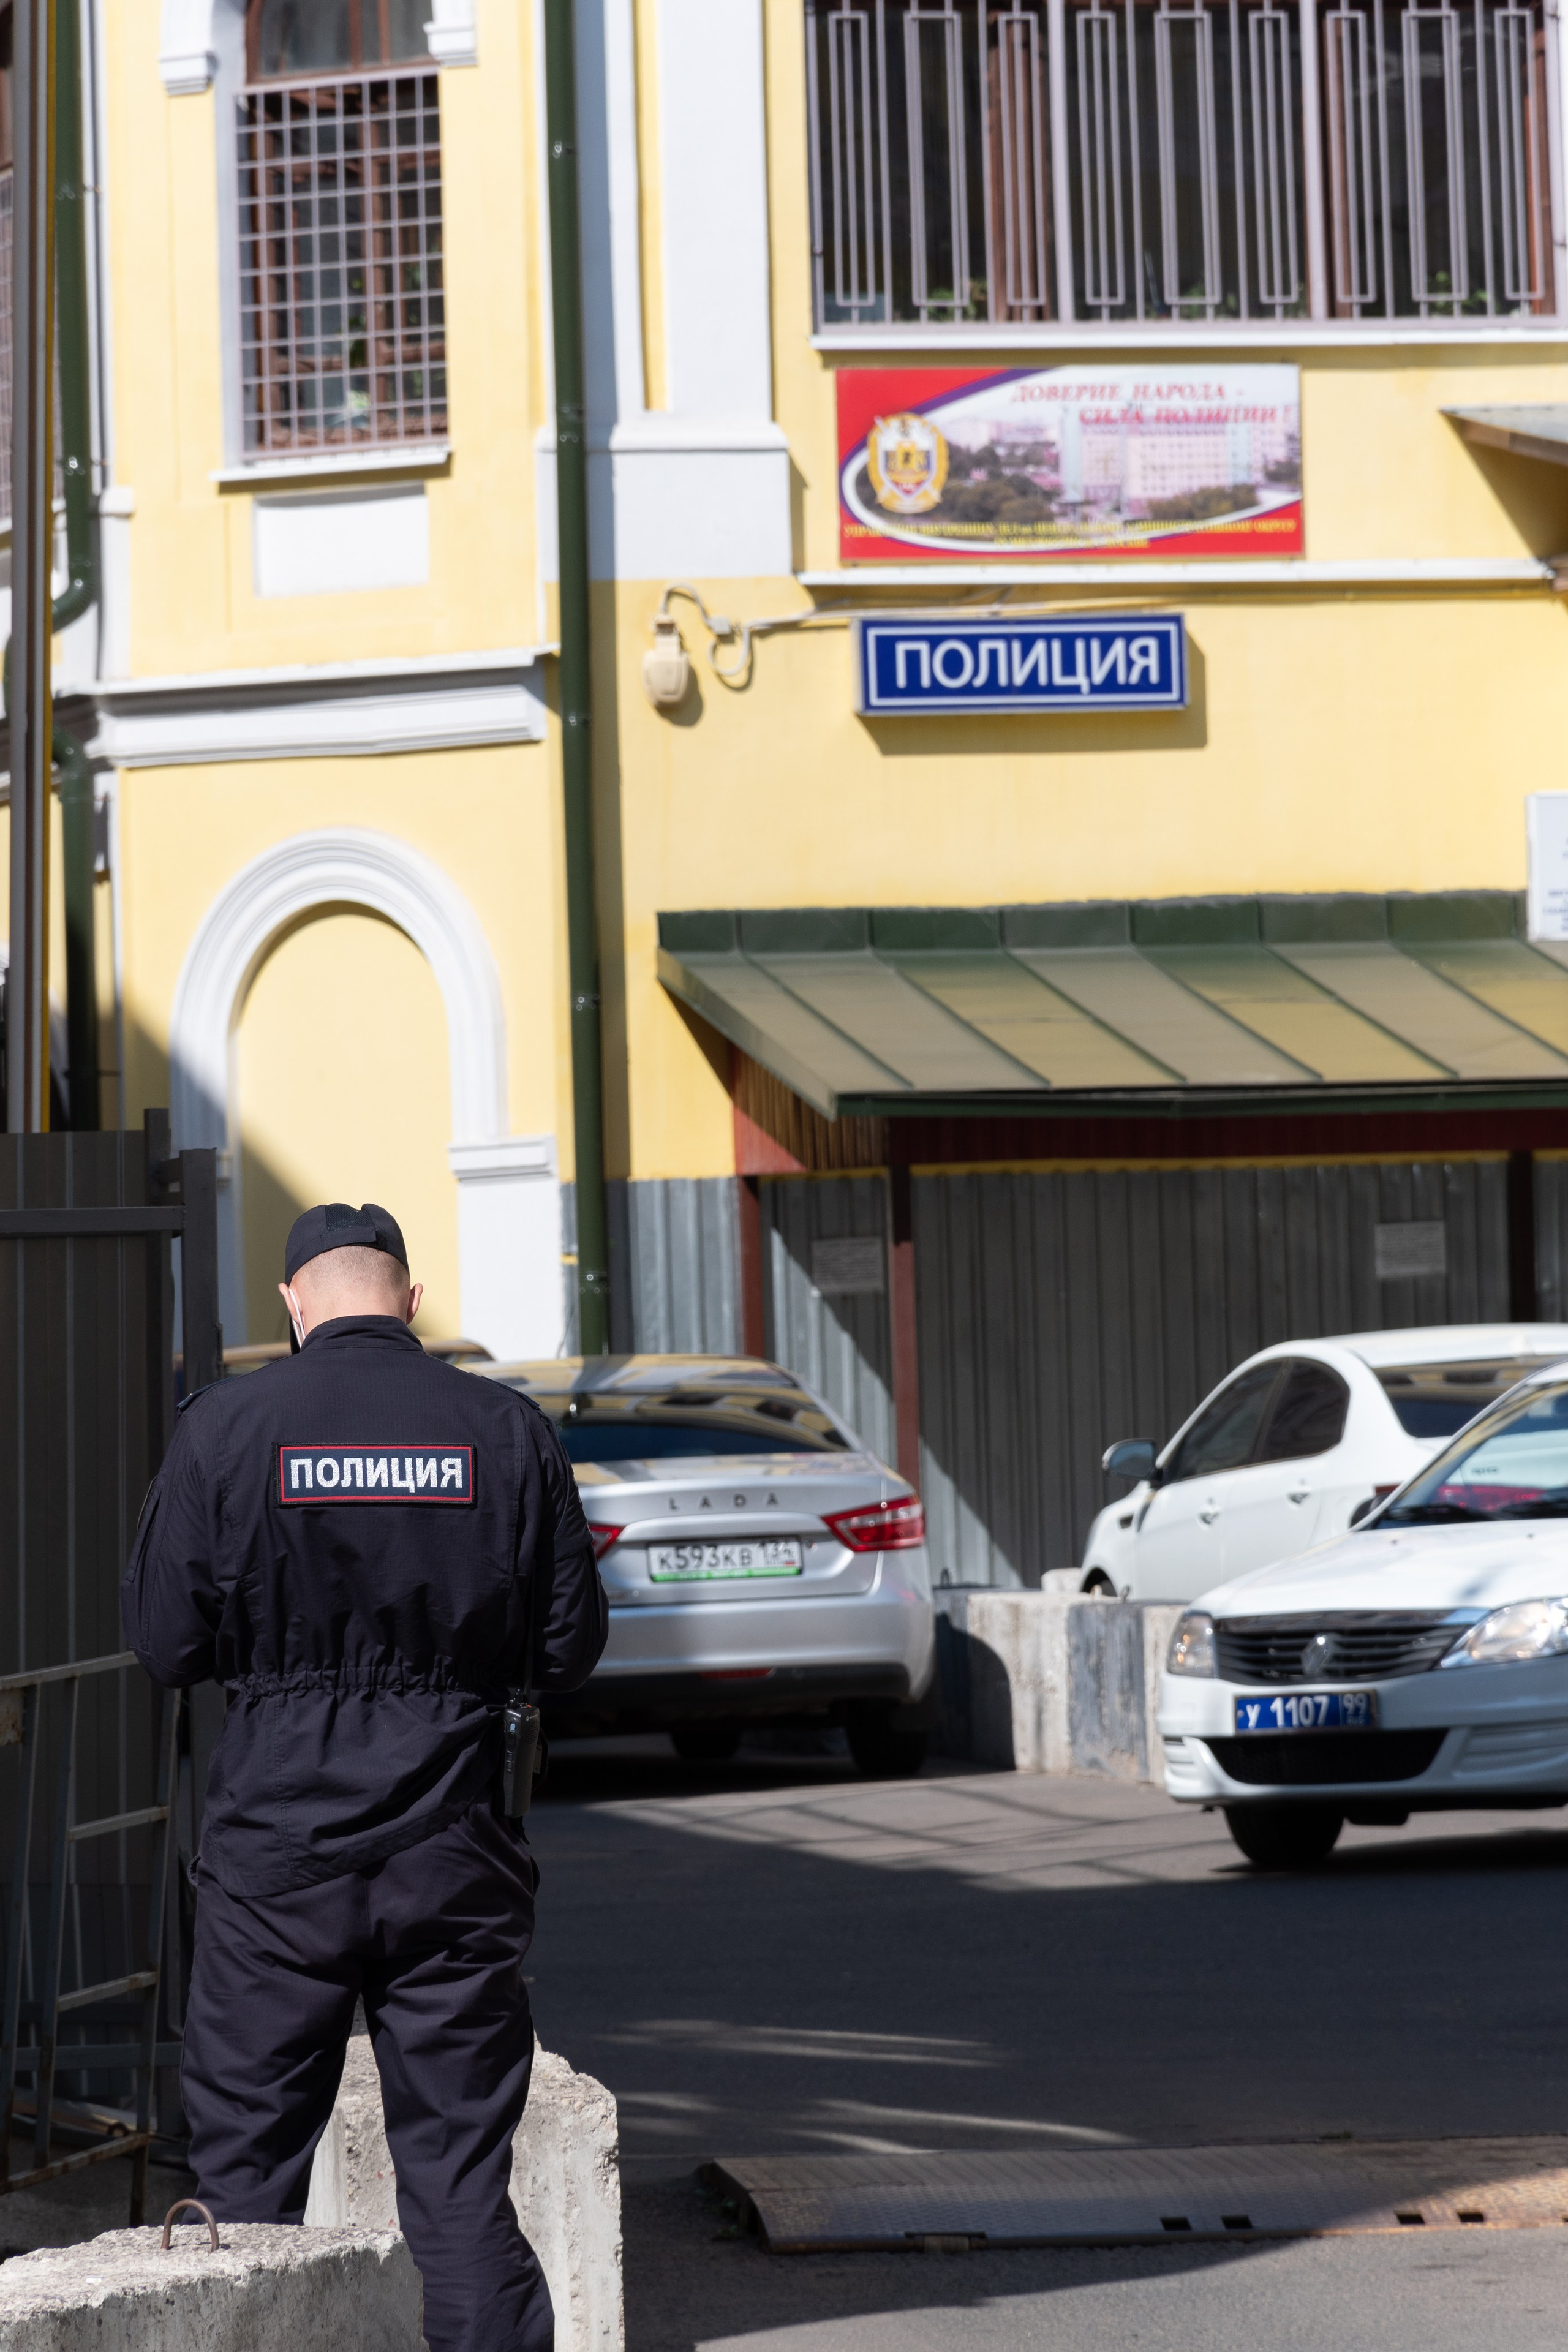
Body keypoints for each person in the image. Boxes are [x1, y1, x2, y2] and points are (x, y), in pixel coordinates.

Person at [122, 1200, 606, 2352]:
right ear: (410, 1298)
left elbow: (165, 1643)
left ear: (295, 1305)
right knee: (458, 2178)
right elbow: (571, 1648)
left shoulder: (227, 1429)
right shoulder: (505, 1429)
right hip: (455, 1850)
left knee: (242, 2182)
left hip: (274, 1853)